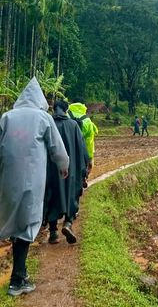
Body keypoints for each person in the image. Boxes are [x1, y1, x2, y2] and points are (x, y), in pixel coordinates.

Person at [0, 78, 69, 297]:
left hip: (7, 181)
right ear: (39, 100)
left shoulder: (6, 118)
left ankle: (20, 275)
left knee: (11, 220)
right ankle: (17, 280)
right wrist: (63, 167)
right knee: (27, 223)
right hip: (32, 181)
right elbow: (58, 150)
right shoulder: (43, 117)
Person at [44, 100, 90, 245]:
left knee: (51, 195)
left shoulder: (48, 124)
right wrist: (86, 165)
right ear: (66, 110)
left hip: (51, 169)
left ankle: (53, 233)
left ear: (54, 109)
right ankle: (68, 223)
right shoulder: (73, 125)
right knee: (72, 192)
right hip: (71, 169)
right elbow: (82, 148)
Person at [68, 101, 98, 173]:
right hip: (81, 153)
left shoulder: (65, 116)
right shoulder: (87, 121)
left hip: (67, 152)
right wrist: (90, 158)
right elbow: (89, 141)